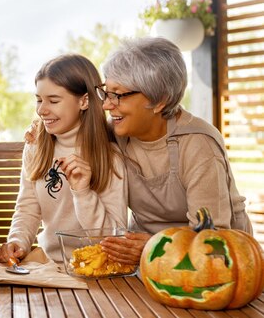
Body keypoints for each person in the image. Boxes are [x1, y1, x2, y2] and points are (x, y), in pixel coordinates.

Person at [99, 37, 253, 265]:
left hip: (219, 264)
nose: (107, 105)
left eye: (118, 95)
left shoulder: (197, 145)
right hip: (141, 263)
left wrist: (153, 248)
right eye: (106, 92)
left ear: (160, 100)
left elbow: (212, 241)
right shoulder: (115, 133)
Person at [0, 54, 128, 263]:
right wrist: (17, 241)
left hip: (95, 268)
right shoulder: (35, 148)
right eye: (39, 100)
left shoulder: (111, 158)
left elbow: (113, 236)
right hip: (46, 263)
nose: (41, 110)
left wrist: (83, 193)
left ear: (84, 101)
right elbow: (28, 208)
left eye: (53, 100)